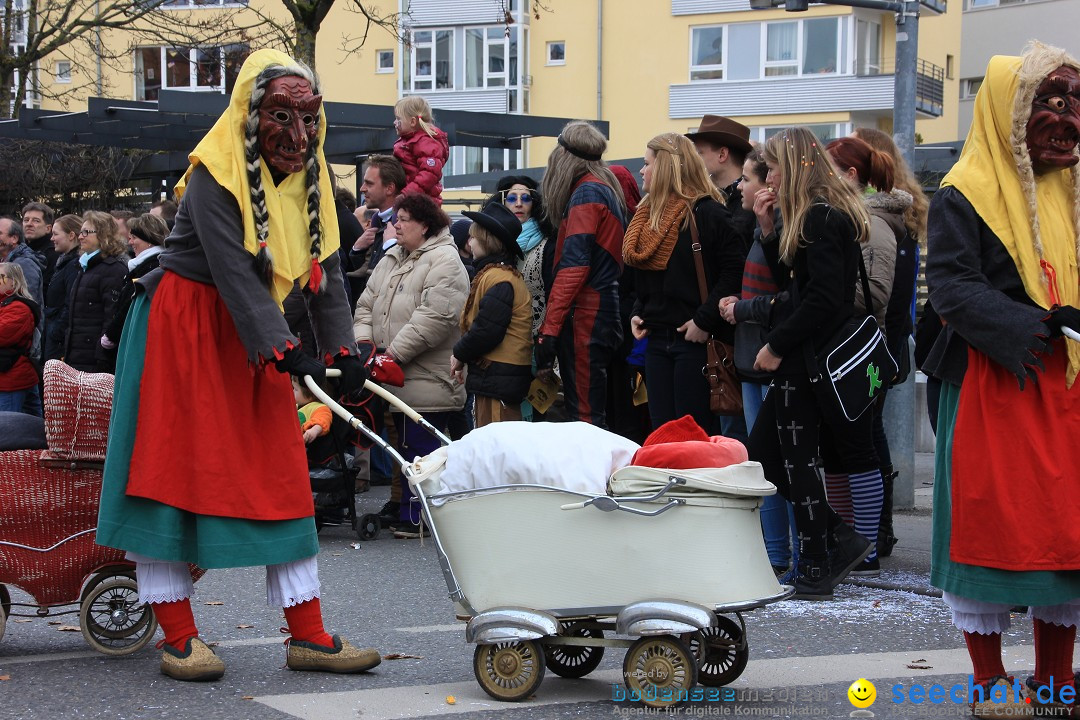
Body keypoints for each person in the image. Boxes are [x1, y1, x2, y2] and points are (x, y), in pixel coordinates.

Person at [96, 49, 379, 682]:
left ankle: (308, 634)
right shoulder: (211, 174)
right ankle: (178, 635)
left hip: (251, 335)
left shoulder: (310, 180)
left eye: (309, 118)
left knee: (278, 471)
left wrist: (341, 352)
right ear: (251, 117)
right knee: (168, 471)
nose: (299, 135)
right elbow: (235, 276)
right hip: (186, 329)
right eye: (283, 116)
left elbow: (326, 270)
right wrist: (286, 350)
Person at [925, 42, 1080, 717]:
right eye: (1048, 100)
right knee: (989, 530)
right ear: (1007, 110)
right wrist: (1036, 324)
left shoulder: (1069, 194)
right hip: (993, 384)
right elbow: (952, 289)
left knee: (1066, 534)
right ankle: (990, 685)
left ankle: (1055, 680)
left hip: (1066, 390)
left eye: (1073, 100)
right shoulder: (964, 190)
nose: (1066, 115)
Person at [744, 126, 878, 601]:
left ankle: (819, 561)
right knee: (767, 457)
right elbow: (795, 288)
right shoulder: (811, 217)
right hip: (804, 354)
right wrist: (767, 229)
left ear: (797, 165)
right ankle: (836, 540)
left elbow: (821, 300)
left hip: (808, 357)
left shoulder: (821, 217)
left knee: (795, 461)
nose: (768, 177)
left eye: (774, 166)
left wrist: (777, 345)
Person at [353, 192, 468, 536]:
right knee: (401, 448)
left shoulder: (445, 261)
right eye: (395, 219)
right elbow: (364, 307)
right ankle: (408, 511)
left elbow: (435, 318)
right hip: (386, 375)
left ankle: (422, 517)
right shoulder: (392, 259)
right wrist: (365, 348)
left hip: (428, 377)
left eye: (404, 220)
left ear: (425, 225)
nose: (395, 225)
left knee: (422, 450)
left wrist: (392, 355)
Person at [822, 136, 911, 576]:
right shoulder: (853, 220)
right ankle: (851, 540)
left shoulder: (872, 226)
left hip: (859, 354)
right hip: (843, 350)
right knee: (837, 451)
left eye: (828, 169)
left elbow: (877, 294)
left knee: (857, 449)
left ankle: (868, 546)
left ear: (851, 176)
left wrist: (824, 292)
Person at [624, 132, 743, 433]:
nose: (642, 170)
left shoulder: (707, 212)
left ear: (665, 167)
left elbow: (733, 273)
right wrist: (639, 311)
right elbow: (648, 277)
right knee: (664, 433)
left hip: (695, 343)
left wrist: (703, 321)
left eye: (647, 163)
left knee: (694, 436)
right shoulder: (647, 216)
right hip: (657, 341)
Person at [719, 147, 797, 580]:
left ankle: (784, 554)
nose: (741, 187)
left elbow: (784, 292)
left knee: (776, 459)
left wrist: (744, 309)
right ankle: (772, 553)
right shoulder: (756, 226)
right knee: (760, 460)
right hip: (751, 355)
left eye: (747, 180)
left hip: (771, 354)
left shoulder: (781, 226)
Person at [851, 125, 930, 558]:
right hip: (887, 339)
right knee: (868, 431)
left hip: (880, 341)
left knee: (867, 432)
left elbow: (893, 297)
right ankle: (877, 527)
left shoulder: (887, 217)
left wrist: (890, 350)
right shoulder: (903, 211)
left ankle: (877, 528)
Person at [535, 120, 626, 427]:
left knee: (585, 417)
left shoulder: (587, 193)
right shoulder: (604, 188)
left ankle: (590, 477)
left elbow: (573, 269)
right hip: (601, 309)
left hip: (587, 314)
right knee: (595, 412)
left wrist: (549, 329)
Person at [451, 203, 532, 427]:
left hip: (499, 379)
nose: (469, 243)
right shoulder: (496, 275)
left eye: (473, 238)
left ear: (486, 240)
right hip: (496, 378)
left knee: (497, 448)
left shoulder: (500, 278)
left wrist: (459, 354)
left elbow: (487, 330)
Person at [63, 211, 128, 373]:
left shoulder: (113, 270)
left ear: (103, 235)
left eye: (86, 232)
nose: (80, 237)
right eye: (80, 232)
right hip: (78, 355)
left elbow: (111, 317)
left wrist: (102, 356)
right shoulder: (85, 267)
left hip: (95, 360)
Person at [100, 213, 168, 364]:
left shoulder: (151, 268)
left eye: (134, 238)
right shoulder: (147, 265)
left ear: (149, 240)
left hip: (136, 346)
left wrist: (110, 336)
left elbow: (131, 304)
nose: (130, 242)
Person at [686, 115, 756, 250]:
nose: (693, 161)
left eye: (699, 153)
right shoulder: (702, 198)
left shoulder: (751, 201)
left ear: (722, 154)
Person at [392, 96, 449, 204]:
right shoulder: (408, 141)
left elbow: (429, 174)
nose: (395, 122)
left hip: (422, 202)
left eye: (398, 119)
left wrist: (406, 193)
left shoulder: (426, 142)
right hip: (413, 198)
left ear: (412, 121)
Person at [0, 264, 41, 413]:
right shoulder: (5, 305)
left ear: (13, 281)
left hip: (12, 380)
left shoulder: (19, 308)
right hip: (11, 377)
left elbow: (3, 335)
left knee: (8, 431)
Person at [43, 214, 81, 362]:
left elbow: (70, 301)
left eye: (55, 234)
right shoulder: (66, 262)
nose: (52, 239)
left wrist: (56, 331)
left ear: (71, 235)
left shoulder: (74, 265)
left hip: (59, 338)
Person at [21, 203, 56, 291]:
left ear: (48, 228)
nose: (29, 224)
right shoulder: (19, 249)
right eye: (26, 220)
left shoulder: (53, 252)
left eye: (36, 221)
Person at [293, 376, 331, 446]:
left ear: (311, 393)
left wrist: (314, 430)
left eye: (295, 389)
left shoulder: (319, 407)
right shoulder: (296, 405)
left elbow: (323, 419)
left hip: (299, 444)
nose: (292, 392)